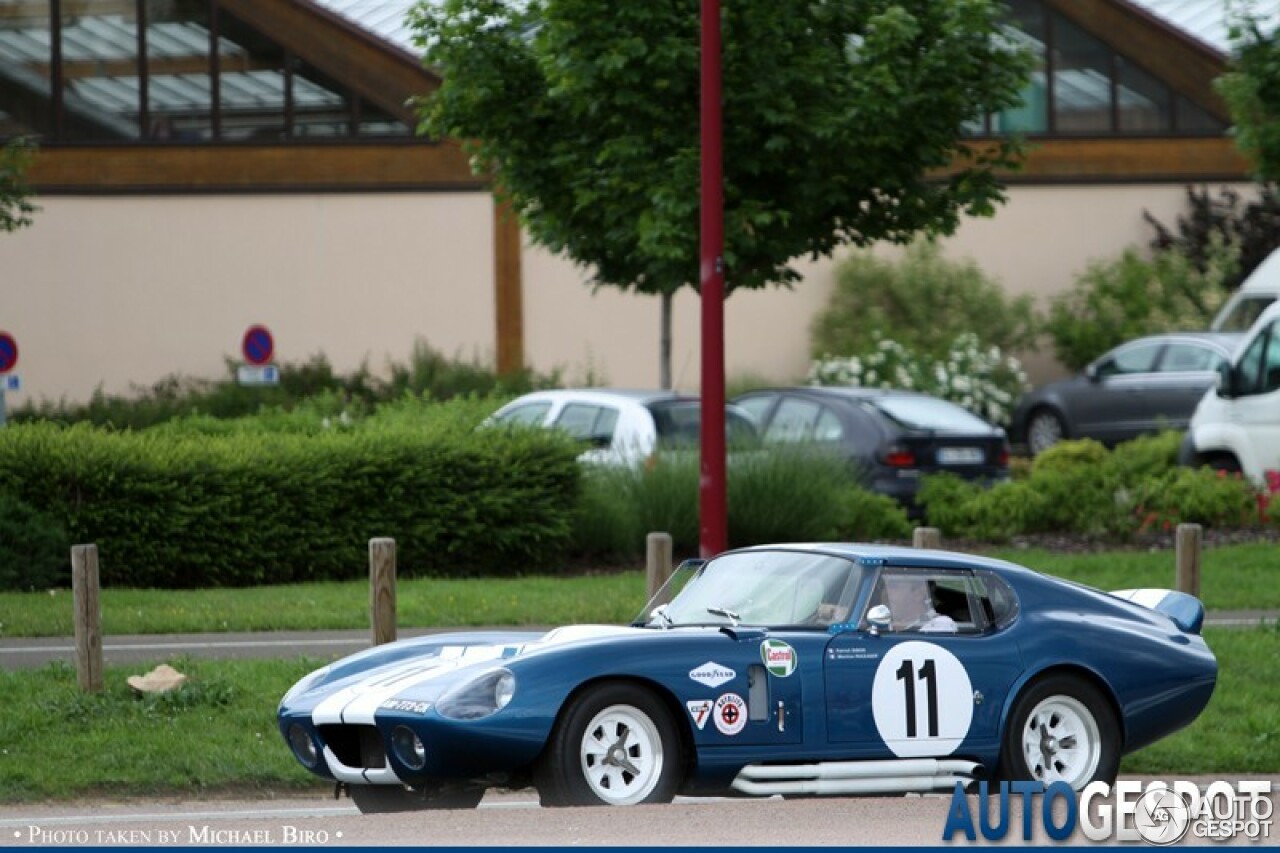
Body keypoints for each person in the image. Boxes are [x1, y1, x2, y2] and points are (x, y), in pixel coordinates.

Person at [880, 573, 957, 633]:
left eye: (894, 586)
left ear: (918, 593)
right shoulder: (876, 627)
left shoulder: (940, 626)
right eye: (883, 586)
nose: (885, 593)